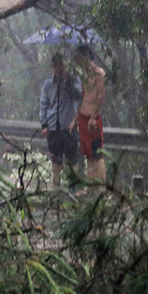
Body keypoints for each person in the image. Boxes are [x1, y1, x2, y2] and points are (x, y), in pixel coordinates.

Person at [39, 52, 82, 187]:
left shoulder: (74, 80)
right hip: (53, 126)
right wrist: (44, 125)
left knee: (71, 158)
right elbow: (44, 104)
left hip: (69, 125)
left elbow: (78, 97)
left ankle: (72, 187)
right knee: (55, 158)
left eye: (62, 65)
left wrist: (68, 83)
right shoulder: (48, 84)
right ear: (53, 66)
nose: (60, 68)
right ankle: (55, 185)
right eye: (57, 65)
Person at [74, 44, 107, 181]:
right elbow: (83, 96)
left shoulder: (99, 73)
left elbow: (100, 96)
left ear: (86, 57)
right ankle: (91, 184)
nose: (77, 60)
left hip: (92, 118)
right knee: (87, 153)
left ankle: (101, 185)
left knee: (96, 153)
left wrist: (93, 117)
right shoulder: (83, 75)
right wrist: (75, 120)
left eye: (79, 57)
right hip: (83, 116)